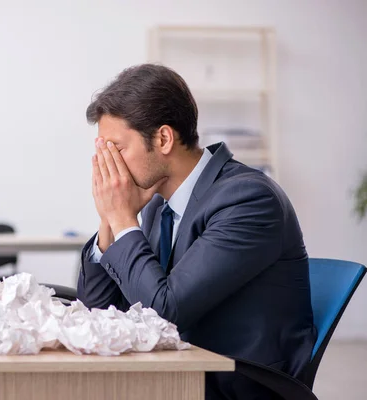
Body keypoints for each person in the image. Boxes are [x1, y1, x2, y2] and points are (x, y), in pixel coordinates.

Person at [76, 63, 316, 400]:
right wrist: (109, 220)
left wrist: (123, 219)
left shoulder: (248, 199)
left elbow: (165, 311)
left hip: (236, 386)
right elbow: (97, 311)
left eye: (115, 150)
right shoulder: (160, 205)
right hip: (182, 371)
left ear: (163, 138)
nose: (107, 165)